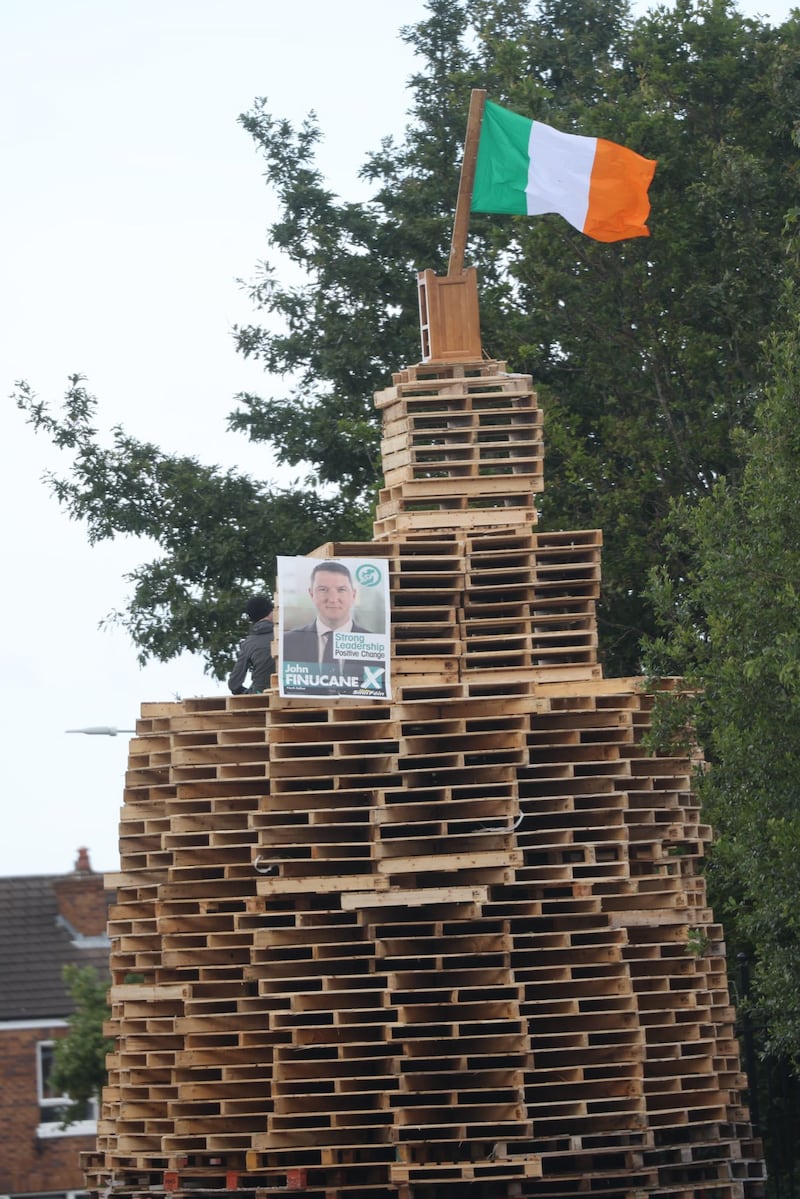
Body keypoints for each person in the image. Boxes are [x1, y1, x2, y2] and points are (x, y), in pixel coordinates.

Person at [282, 561, 376, 693]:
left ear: (353, 595)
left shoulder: (375, 643)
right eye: (323, 589)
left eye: (341, 590)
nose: (332, 599)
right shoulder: (288, 642)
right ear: (311, 594)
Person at [228, 595, 275, 694]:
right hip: (294, 691)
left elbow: (233, 684)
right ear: (271, 612)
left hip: (260, 695)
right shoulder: (287, 635)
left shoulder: (248, 644)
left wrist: (246, 692)